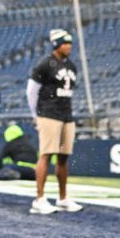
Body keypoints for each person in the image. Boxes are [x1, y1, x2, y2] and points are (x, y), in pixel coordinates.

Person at [27, 28, 83, 214]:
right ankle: (39, 199)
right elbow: (31, 92)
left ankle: (62, 198)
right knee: (46, 155)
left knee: (63, 158)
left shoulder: (71, 66)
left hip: (66, 114)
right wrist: (36, 115)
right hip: (48, 114)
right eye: (65, 43)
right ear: (56, 45)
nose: (69, 46)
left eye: (70, 43)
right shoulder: (45, 64)